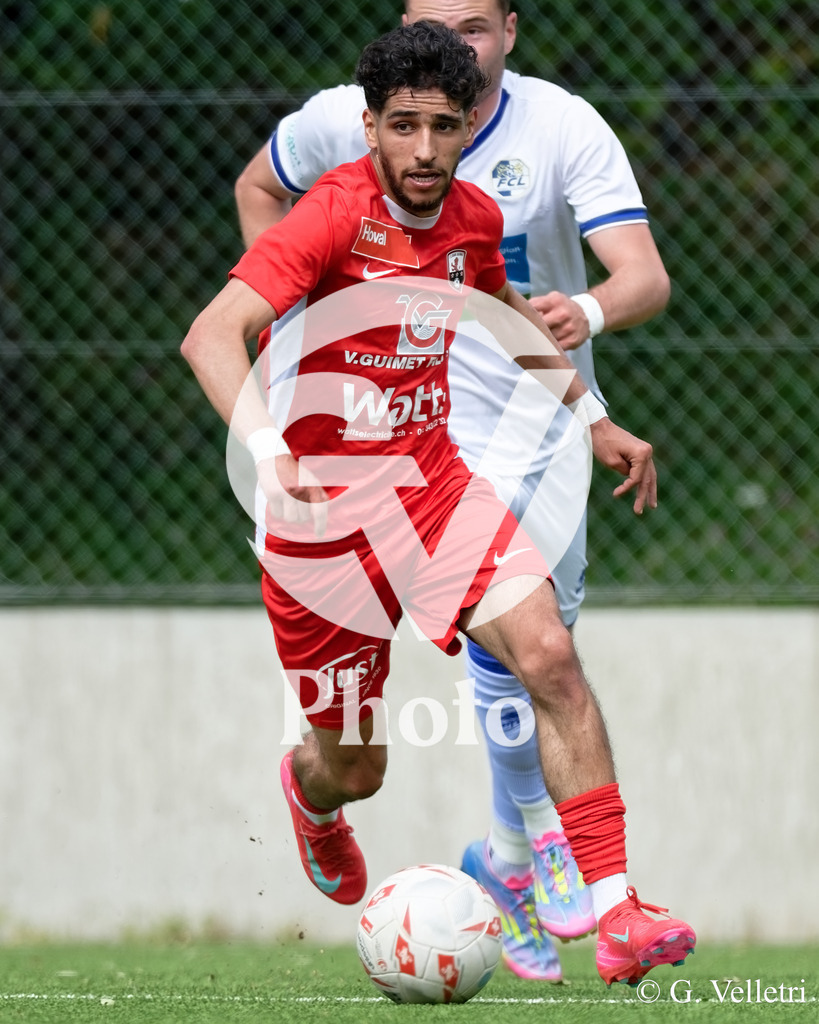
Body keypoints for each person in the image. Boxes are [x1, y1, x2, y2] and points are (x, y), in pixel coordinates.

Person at [183, 20, 694, 989]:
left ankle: (620, 908)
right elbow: (212, 337)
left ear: (471, 128)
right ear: (369, 125)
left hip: (432, 489)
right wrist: (271, 447)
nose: (424, 151)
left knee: (549, 651)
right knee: (358, 768)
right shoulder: (331, 216)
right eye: (404, 127)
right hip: (322, 530)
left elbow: (504, 320)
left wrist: (595, 418)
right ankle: (314, 796)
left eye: (444, 128)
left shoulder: (466, 219)